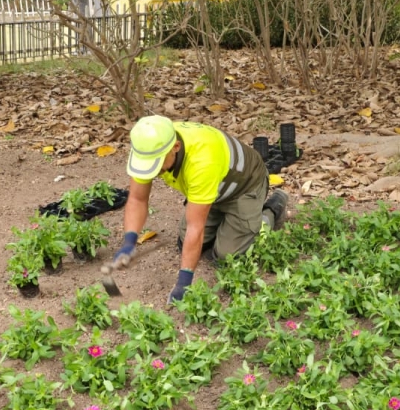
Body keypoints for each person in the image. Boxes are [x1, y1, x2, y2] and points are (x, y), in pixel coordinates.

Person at [105, 115, 289, 303]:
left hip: (243, 186)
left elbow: (196, 226)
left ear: (176, 147)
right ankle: (231, 224)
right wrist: (129, 242)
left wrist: (183, 284)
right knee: (185, 242)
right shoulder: (149, 144)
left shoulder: (202, 160)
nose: (151, 170)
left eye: (156, 163)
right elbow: (137, 198)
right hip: (212, 191)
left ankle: (270, 212)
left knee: (227, 256)